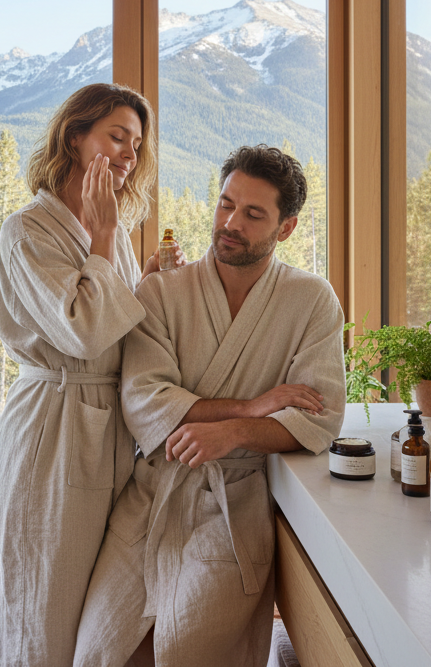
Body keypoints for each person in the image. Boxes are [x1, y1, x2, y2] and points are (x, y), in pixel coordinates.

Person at [73, 144, 346, 667]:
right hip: (153, 494)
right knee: (99, 652)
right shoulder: (161, 293)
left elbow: (321, 414)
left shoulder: (312, 300)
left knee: (188, 649)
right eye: (226, 204)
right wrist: (251, 410)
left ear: (285, 228)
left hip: (233, 503)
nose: (230, 222)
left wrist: (234, 435)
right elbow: (146, 401)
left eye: (252, 213)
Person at [0, 83, 185, 666]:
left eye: (136, 143)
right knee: (41, 599)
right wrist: (101, 237)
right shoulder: (27, 230)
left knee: (92, 605)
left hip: (107, 430)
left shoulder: (110, 229)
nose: (127, 153)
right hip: (52, 430)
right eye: (115, 136)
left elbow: (110, 313)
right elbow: (83, 331)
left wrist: (142, 273)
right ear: (75, 137)